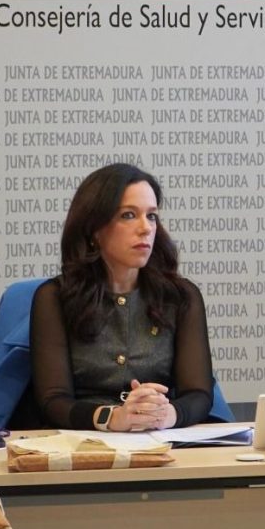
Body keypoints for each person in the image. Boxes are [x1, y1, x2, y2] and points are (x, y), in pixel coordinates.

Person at [30, 163, 214, 431]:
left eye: (152, 216)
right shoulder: (54, 298)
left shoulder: (181, 296)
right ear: (94, 228)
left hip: (160, 439)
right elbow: (52, 400)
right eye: (129, 215)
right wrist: (112, 417)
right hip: (83, 442)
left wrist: (167, 414)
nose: (146, 228)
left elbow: (199, 393)